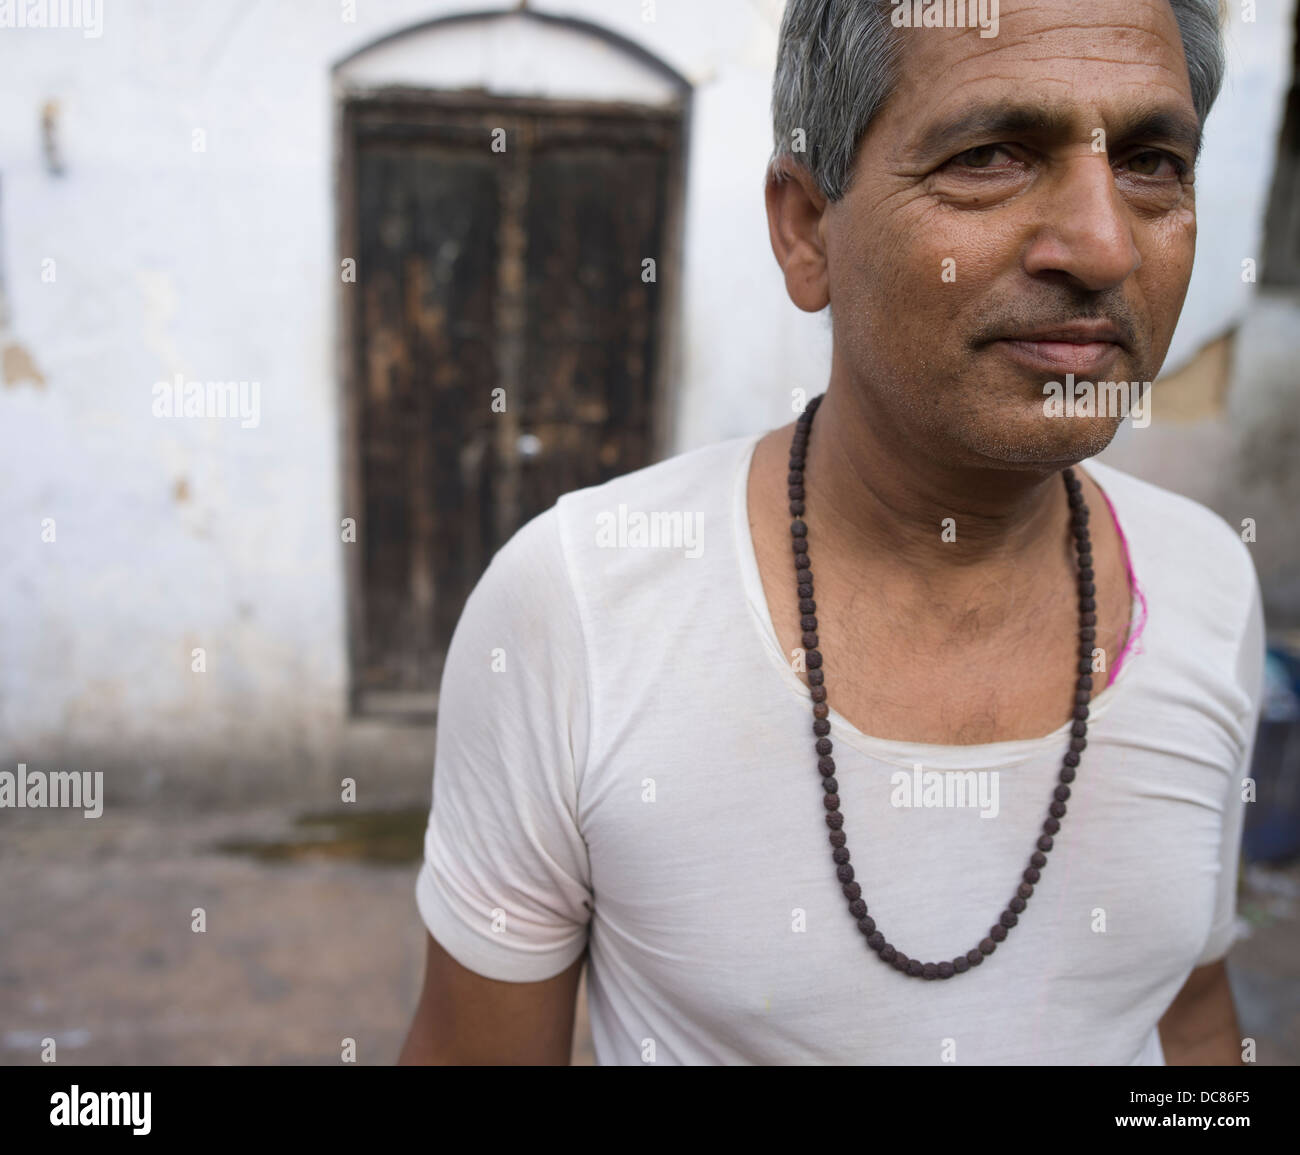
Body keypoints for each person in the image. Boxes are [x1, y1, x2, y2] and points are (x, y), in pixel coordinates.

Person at [400, 0, 1265, 1064]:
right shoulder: (578, 604)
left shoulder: (1207, 586)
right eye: (990, 154)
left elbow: (1187, 1016)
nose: (1099, 245)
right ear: (807, 227)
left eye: (1149, 161)